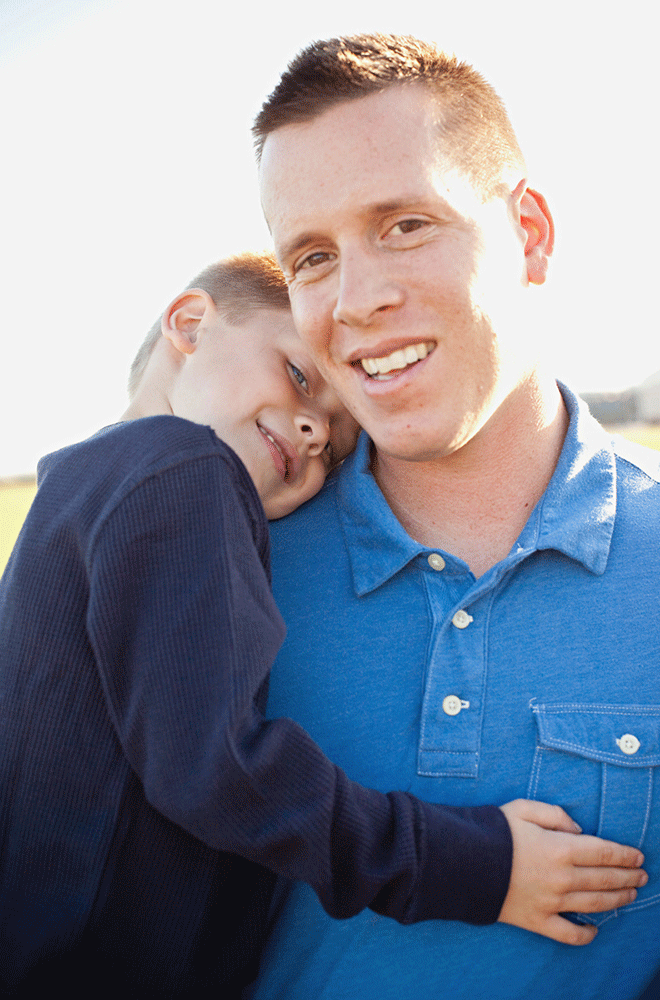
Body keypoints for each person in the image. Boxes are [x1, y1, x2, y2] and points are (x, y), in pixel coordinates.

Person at [0, 251, 620, 997]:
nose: (312, 429)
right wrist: (476, 866)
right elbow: (219, 769)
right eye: (299, 376)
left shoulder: (75, 486)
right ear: (191, 324)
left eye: (334, 444)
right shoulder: (187, 469)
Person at [249, 34, 660, 1000]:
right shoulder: (228, 566)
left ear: (531, 235)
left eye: (403, 225)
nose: (357, 300)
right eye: (311, 256)